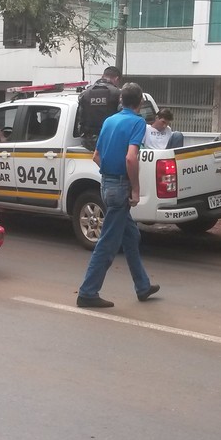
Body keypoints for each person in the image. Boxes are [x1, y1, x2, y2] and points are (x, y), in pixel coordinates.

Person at [76, 83, 160, 308]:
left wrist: (110, 176)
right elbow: (131, 158)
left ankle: (142, 285)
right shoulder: (137, 122)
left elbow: (96, 156)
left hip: (107, 184)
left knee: (131, 237)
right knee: (107, 244)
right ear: (140, 102)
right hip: (120, 187)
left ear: (121, 100)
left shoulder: (109, 121)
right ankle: (87, 292)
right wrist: (134, 188)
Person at [77, 66, 122, 150]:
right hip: (111, 142)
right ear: (116, 79)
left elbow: (80, 119)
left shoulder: (85, 94)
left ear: (103, 75)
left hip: (88, 142)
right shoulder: (118, 93)